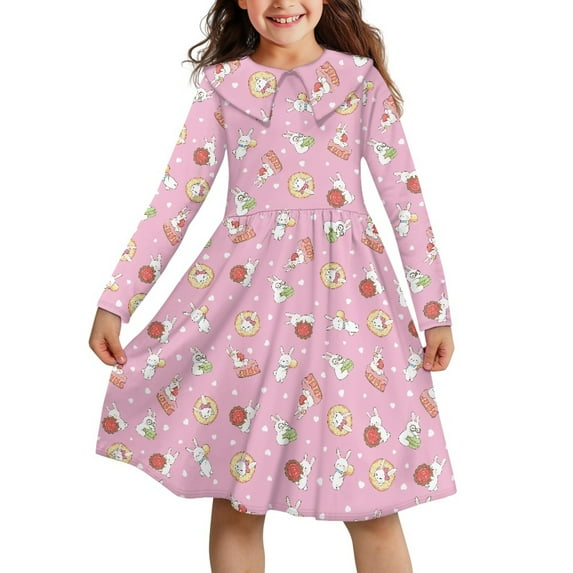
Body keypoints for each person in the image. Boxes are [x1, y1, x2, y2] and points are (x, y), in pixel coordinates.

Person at [89, 1, 456, 571]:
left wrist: (434, 312)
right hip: (243, 313)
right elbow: (175, 198)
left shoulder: (360, 82)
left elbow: (405, 201)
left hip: (352, 314)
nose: (283, 2)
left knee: (373, 502)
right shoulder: (222, 86)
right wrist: (117, 301)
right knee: (238, 499)